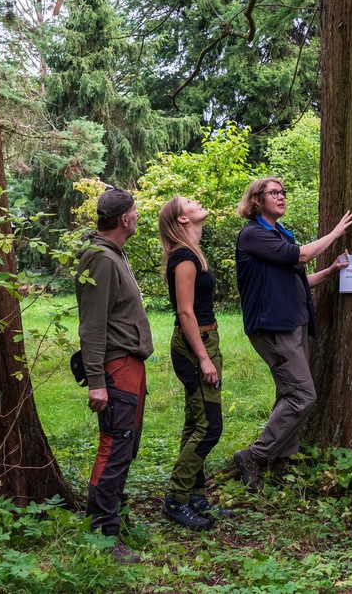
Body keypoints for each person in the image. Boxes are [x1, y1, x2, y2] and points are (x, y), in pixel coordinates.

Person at [233, 176, 352, 490]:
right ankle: (254, 456)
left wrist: (330, 272)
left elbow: (298, 279)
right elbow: (300, 257)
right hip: (273, 327)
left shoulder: (280, 234)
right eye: (274, 192)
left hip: (294, 323)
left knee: (290, 394)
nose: (282, 196)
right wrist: (336, 233)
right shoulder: (253, 234)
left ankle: (282, 460)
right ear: (257, 200)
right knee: (303, 395)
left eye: (283, 191)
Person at [75, 188, 153, 561]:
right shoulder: (101, 259)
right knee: (114, 447)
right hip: (115, 367)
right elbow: (92, 327)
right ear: (125, 218)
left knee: (127, 446)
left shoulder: (115, 255)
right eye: (135, 212)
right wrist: (96, 382)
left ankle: (113, 518)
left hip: (130, 365)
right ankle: (103, 534)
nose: (137, 217)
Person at [157, 196, 223, 530]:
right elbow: (185, 312)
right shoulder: (183, 257)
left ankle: (195, 497)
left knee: (195, 421)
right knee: (210, 426)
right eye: (189, 202)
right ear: (181, 220)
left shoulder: (193, 252)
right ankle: (176, 501)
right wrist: (203, 358)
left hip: (205, 340)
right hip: (193, 345)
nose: (196, 201)